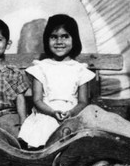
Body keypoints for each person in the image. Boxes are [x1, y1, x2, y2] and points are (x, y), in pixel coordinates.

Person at [18, 14, 95, 148]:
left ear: (74, 39)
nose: (59, 41)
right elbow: (37, 100)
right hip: (47, 112)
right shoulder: (41, 68)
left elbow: (83, 101)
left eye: (65, 36)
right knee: (47, 129)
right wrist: (53, 113)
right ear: (47, 40)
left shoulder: (80, 69)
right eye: (54, 37)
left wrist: (71, 113)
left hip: (72, 112)